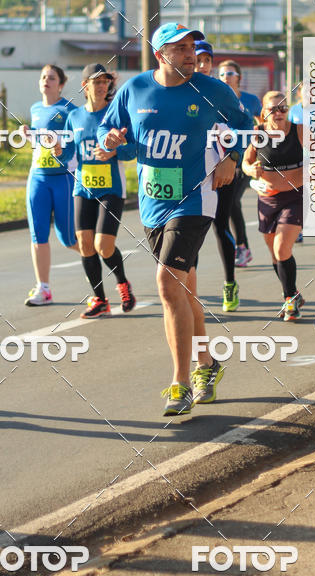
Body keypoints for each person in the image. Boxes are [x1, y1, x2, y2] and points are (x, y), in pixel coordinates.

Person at [98, 23, 252, 415]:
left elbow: (246, 125)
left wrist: (231, 158)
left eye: (191, 47)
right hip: (152, 202)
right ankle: (207, 365)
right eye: (180, 48)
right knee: (184, 291)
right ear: (160, 54)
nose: (189, 54)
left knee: (167, 283)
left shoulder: (212, 89)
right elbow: (114, 135)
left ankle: (179, 383)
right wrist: (109, 141)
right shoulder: (135, 90)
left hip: (196, 198)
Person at [62, 63, 136, 318]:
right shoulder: (74, 117)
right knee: (85, 244)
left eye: (105, 81)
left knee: (103, 246)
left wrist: (115, 150)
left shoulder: (115, 116)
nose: (102, 86)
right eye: (96, 82)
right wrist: (60, 152)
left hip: (111, 189)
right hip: (83, 188)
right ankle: (100, 299)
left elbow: (133, 148)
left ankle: (123, 284)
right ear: (85, 86)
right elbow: (70, 154)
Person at [242, 91, 304, 321]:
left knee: (281, 248)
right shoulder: (258, 134)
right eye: (273, 109)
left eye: (283, 108)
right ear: (263, 114)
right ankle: (294, 293)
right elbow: (246, 162)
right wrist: (251, 171)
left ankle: (289, 302)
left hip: (295, 196)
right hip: (267, 199)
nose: (279, 113)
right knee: (276, 256)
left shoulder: (298, 130)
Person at [24, 64, 77, 306]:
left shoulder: (69, 110)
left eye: (52, 77)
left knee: (69, 238)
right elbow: (39, 137)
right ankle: (43, 288)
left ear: (61, 84)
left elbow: (78, 138)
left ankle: (101, 260)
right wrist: (28, 133)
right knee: (38, 235)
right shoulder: (35, 108)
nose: (46, 80)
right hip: (37, 178)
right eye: (43, 76)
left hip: (63, 178)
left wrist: (62, 147)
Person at [193, 42, 241, 312]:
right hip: (191, 174)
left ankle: (229, 283)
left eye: (206, 60)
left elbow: (242, 129)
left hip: (221, 170)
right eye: (197, 60)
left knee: (220, 226)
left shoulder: (221, 93)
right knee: (191, 231)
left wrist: (231, 159)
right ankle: (191, 290)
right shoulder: (181, 91)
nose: (202, 65)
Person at [218, 60, 261, 268]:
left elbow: (263, 123)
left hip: (243, 159)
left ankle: (242, 247)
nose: (226, 77)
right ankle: (233, 245)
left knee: (233, 200)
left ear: (239, 77)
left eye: (230, 73)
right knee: (223, 207)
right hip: (220, 160)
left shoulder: (251, 100)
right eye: (222, 74)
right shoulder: (213, 99)